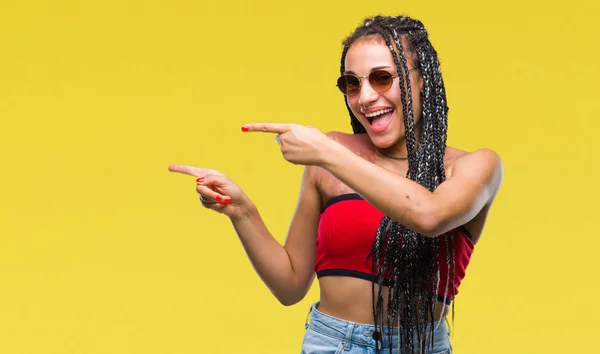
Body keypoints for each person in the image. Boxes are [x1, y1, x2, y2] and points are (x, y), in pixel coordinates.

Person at [169, 15, 503, 354]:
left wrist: (327, 153)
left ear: (423, 82)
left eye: (383, 78)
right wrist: (242, 211)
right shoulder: (329, 160)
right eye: (352, 84)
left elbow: (429, 216)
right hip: (332, 344)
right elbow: (290, 286)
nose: (365, 97)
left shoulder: (473, 166)